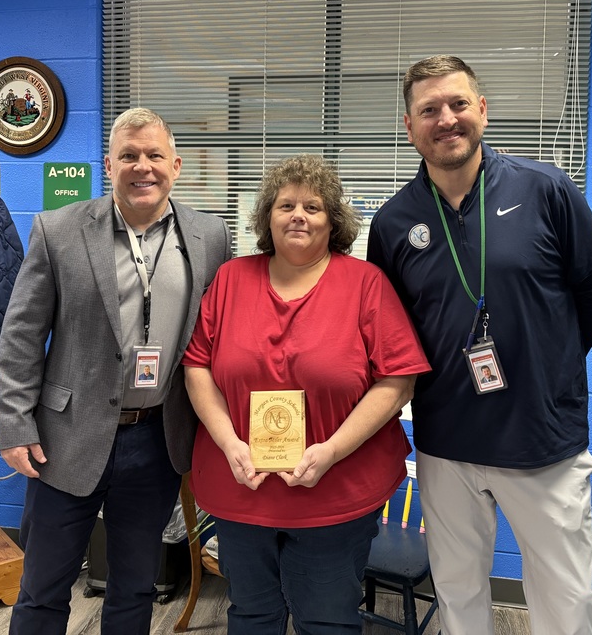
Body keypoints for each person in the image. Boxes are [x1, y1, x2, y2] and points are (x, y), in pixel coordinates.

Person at [367, 56, 592, 635]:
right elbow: (391, 331)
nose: (446, 119)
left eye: (458, 104)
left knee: (564, 602)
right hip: (446, 442)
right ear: (409, 127)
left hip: (543, 439)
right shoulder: (393, 222)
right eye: (429, 109)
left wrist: (551, 368)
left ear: (481, 109)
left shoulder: (546, 189)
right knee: (458, 595)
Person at [0, 108, 232, 635]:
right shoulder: (58, 230)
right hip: (65, 439)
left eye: (153, 155)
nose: (141, 167)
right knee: (43, 587)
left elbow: (220, 335)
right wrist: (13, 423)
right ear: (109, 164)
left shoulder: (210, 236)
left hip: (158, 441)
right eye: (128, 155)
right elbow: (21, 336)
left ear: (176, 164)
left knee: (135, 587)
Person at [183, 154, 430, 635]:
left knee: (328, 620)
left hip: (335, 491)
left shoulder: (365, 284)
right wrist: (229, 442)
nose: (298, 214)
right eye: (286, 205)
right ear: (266, 218)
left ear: (333, 221)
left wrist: (332, 450)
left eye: (313, 207)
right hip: (242, 485)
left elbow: (399, 379)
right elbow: (197, 366)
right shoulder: (232, 279)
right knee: (251, 615)